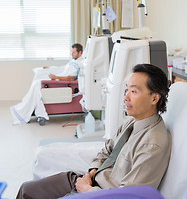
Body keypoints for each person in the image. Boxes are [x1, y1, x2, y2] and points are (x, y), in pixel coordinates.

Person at [16, 63, 172, 199]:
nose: (125, 98)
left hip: (100, 194)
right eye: (126, 90)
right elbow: (107, 150)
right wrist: (92, 171)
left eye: (134, 92)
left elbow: (128, 196)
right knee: (26, 190)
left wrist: (88, 190)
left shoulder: (151, 145)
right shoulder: (131, 123)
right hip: (91, 181)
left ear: (154, 98)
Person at [11, 43, 83, 125]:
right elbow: (62, 68)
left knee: (38, 84)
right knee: (37, 81)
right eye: (71, 52)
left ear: (80, 53)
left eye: (74, 52)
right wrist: (50, 68)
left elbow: (71, 78)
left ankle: (31, 110)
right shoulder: (73, 61)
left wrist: (56, 77)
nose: (72, 54)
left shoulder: (80, 64)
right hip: (59, 79)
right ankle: (28, 107)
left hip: (63, 83)